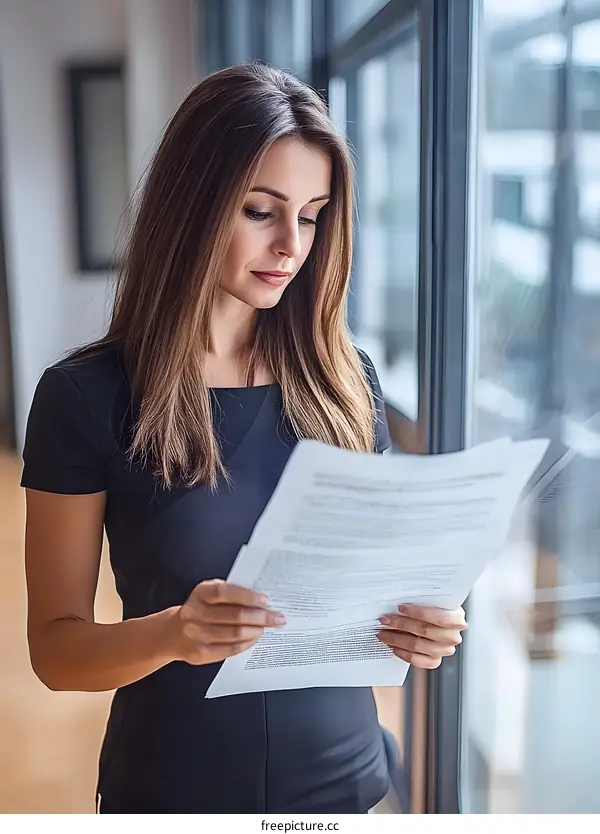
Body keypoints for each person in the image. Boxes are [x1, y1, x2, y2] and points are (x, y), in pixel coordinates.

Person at [21, 62, 467, 814]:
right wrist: (173, 633)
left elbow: (381, 583)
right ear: (194, 206)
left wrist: (425, 624)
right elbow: (56, 652)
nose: (293, 244)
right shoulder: (85, 397)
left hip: (349, 785)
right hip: (174, 791)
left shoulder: (345, 377)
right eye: (262, 211)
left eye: (314, 213)